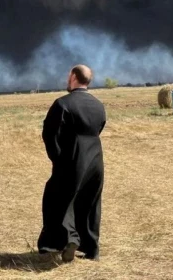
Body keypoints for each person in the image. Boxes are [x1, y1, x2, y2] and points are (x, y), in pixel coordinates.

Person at [37, 64, 107, 262]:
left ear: (74, 77)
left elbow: (50, 134)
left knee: (58, 199)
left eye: (69, 76)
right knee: (91, 203)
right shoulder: (98, 104)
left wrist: (58, 158)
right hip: (96, 160)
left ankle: (68, 240)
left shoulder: (63, 104)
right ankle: (92, 250)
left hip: (72, 159)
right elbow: (100, 127)